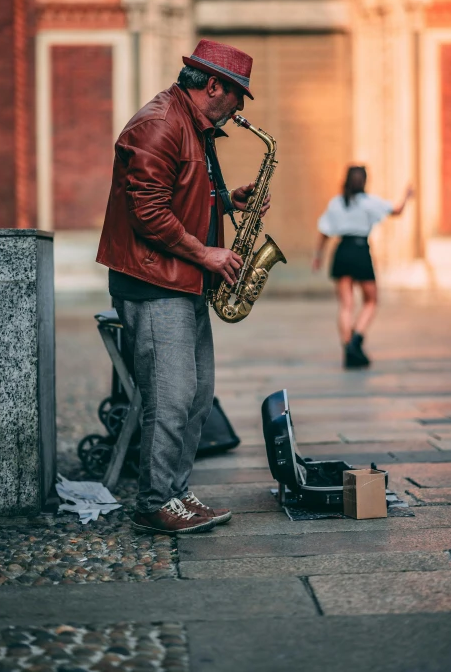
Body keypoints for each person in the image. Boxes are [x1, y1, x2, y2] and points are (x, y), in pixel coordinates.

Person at [96, 39, 270, 535]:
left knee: (196, 395)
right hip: (155, 284)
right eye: (238, 96)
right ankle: (155, 502)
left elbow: (182, 194)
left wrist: (229, 202)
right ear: (213, 85)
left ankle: (175, 492)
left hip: (183, 281)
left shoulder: (193, 125)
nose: (239, 108)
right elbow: (147, 211)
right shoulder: (159, 124)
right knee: (170, 397)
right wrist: (207, 253)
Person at [313, 166, 413, 369]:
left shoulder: (336, 203)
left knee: (346, 305)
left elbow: (324, 231)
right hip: (360, 251)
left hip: (341, 251)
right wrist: (407, 196)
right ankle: (356, 339)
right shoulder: (370, 202)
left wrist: (318, 256)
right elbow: (397, 210)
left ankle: (348, 348)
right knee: (371, 300)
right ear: (365, 181)